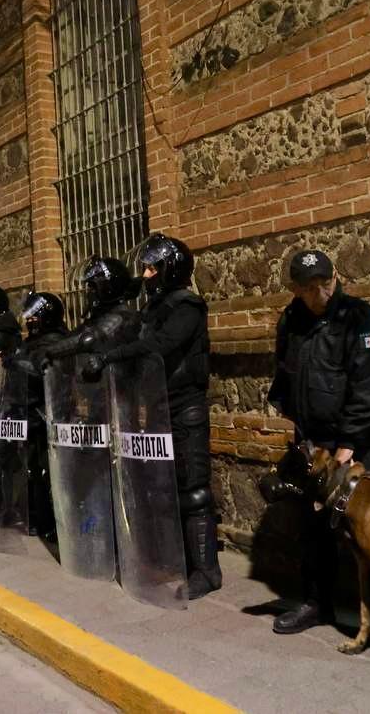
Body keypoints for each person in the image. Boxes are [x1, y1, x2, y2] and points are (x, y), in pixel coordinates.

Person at [266, 249, 370, 655]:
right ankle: (316, 603)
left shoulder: (360, 319)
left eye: (324, 283)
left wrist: (348, 444)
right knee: (313, 528)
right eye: (308, 287)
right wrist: (289, 410)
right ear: (296, 289)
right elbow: (286, 370)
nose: (318, 292)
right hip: (313, 443)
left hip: (355, 446)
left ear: (335, 275)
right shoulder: (292, 320)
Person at [93, 233, 222, 598]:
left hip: (185, 406)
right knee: (163, 488)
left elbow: (161, 345)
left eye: (152, 268)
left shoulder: (187, 306)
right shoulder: (152, 308)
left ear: (170, 269)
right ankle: (174, 559)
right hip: (158, 405)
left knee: (193, 490)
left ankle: (207, 571)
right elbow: (129, 332)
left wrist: (114, 356)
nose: (146, 275)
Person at [3, 292, 69, 539]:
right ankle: (34, 516)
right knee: (30, 471)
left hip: (46, 416)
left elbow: (41, 372)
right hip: (28, 415)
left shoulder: (56, 342)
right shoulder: (30, 342)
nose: (28, 320)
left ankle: (51, 523)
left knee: (47, 473)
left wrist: (14, 363)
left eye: (33, 316)